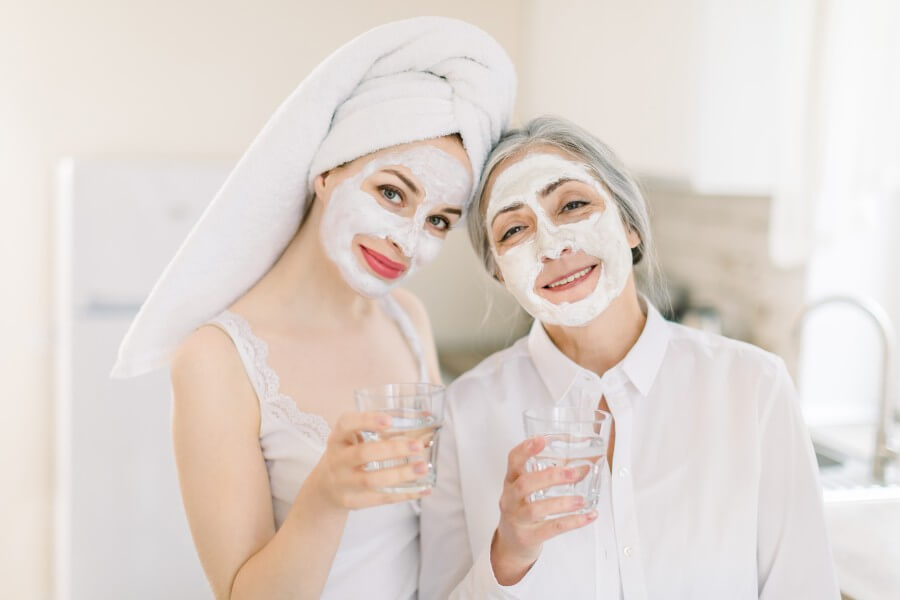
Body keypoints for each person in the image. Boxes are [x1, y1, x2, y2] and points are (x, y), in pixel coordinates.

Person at [110, 17, 515, 600]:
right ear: (327, 172)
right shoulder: (216, 359)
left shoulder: (408, 322)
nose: (407, 239)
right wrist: (325, 496)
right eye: (391, 192)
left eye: (438, 221)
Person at [420, 115, 839, 599]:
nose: (553, 245)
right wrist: (508, 554)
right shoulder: (463, 415)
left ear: (630, 225)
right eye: (515, 229)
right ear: (500, 274)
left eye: (573, 204)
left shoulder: (754, 388)